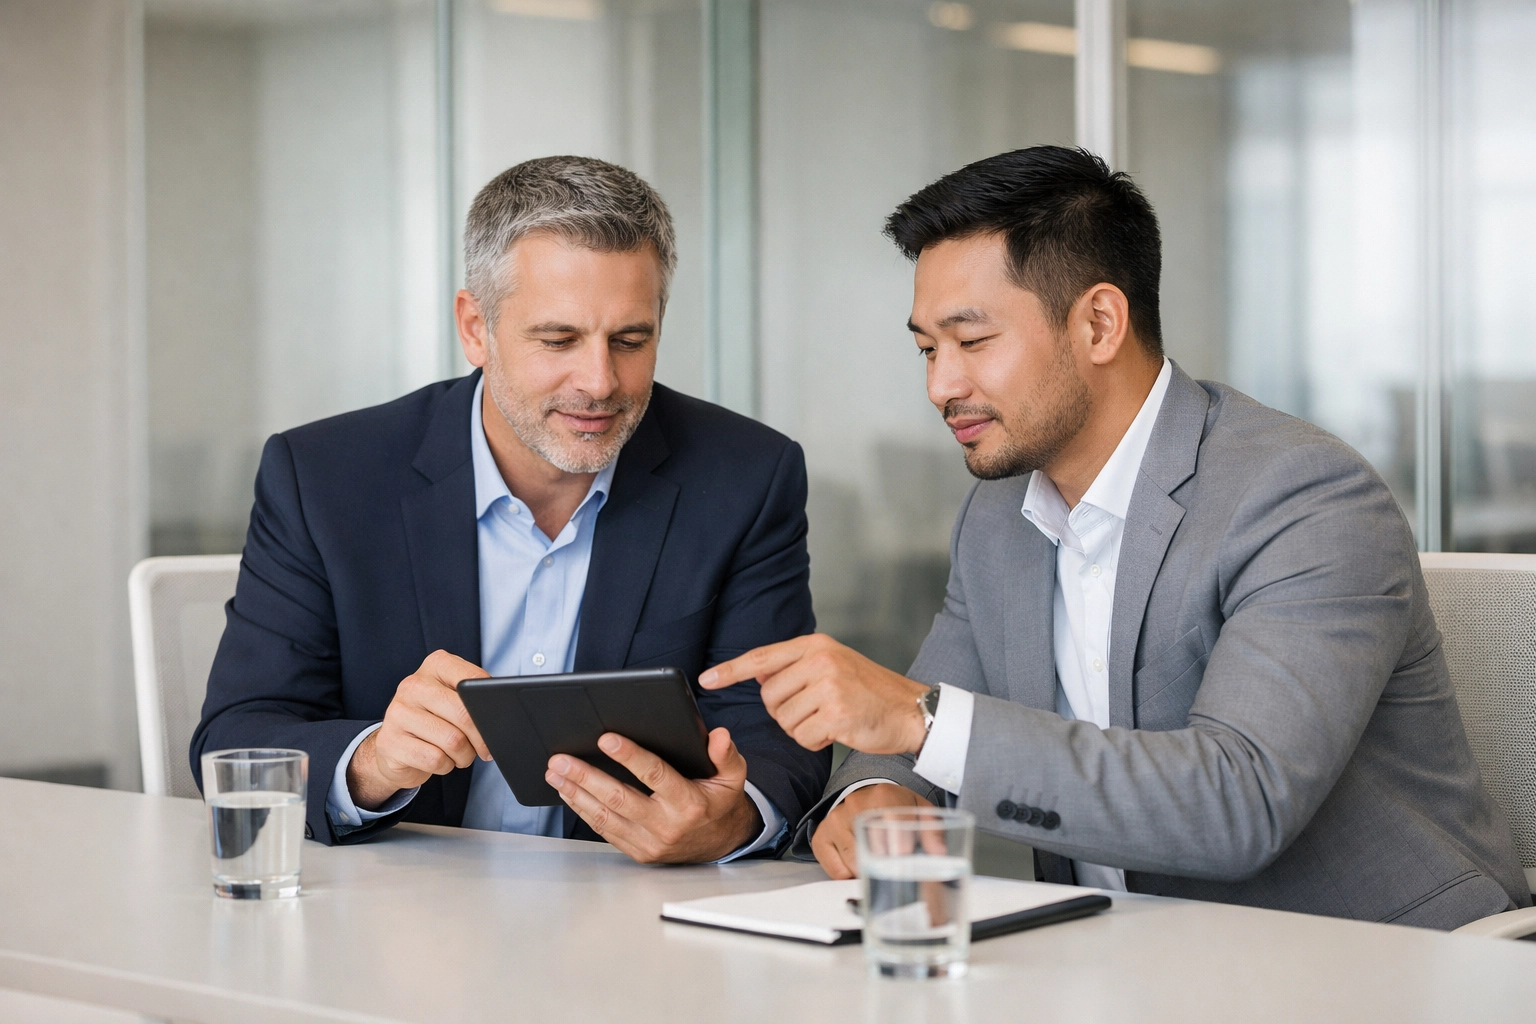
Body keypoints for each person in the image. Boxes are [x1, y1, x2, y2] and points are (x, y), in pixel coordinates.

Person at [700, 146, 1530, 926]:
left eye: (973, 341)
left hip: (1376, 961)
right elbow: (913, 732)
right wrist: (877, 795)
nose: (940, 385)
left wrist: (917, 721)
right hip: (1115, 957)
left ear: (1099, 323)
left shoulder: (1302, 495)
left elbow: (1239, 802)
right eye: (927, 349)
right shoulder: (998, 518)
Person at [193, 156, 828, 863]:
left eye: (631, 340)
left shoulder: (746, 478)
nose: (600, 382)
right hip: (397, 899)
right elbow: (239, 737)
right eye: (558, 340)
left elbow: (776, 735)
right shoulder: (323, 477)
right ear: (475, 327)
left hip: (632, 901)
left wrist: (731, 822)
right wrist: (373, 761)